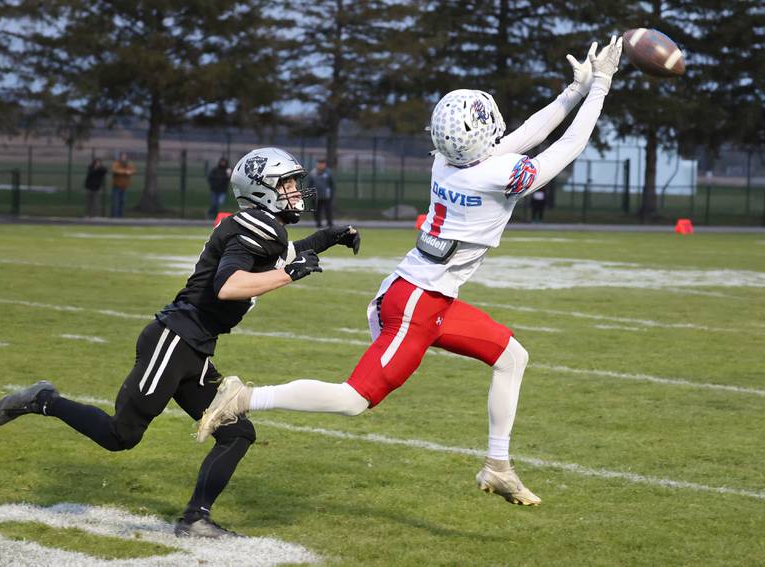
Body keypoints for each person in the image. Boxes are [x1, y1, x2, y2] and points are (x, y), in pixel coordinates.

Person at [196, 37, 624, 507]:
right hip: (417, 305)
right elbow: (566, 147)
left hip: (424, 296)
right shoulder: (496, 176)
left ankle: (498, 465)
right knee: (353, 400)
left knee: (512, 357)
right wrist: (599, 86)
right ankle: (242, 398)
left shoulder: (450, 162)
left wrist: (573, 90)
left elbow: (519, 138)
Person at [0, 147, 361, 537]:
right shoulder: (255, 226)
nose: (296, 191)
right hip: (174, 339)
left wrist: (327, 238)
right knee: (121, 436)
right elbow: (229, 286)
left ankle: (195, 518)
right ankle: (42, 399)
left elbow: (280, 255)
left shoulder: (263, 227)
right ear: (262, 188)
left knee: (237, 432)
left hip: (195, 347)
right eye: (286, 183)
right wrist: (291, 275)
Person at [309, 158, 335, 227]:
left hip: (326, 196)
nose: (321, 165)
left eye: (322, 164)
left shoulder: (328, 173)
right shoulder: (313, 173)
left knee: (328, 210)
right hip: (316, 196)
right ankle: (318, 223)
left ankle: (329, 223)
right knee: (317, 211)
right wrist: (311, 194)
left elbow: (332, 184)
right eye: (319, 164)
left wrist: (331, 194)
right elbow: (310, 184)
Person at [110, 152, 135, 218]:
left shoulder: (129, 163)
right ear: (120, 157)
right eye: (122, 156)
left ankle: (121, 217)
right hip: (116, 186)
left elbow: (133, 170)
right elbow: (114, 170)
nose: (123, 157)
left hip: (125, 186)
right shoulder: (116, 163)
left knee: (123, 202)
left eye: (124, 156)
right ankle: (114, 217)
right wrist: (124, 172)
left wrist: (129, 172)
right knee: (115, 202)